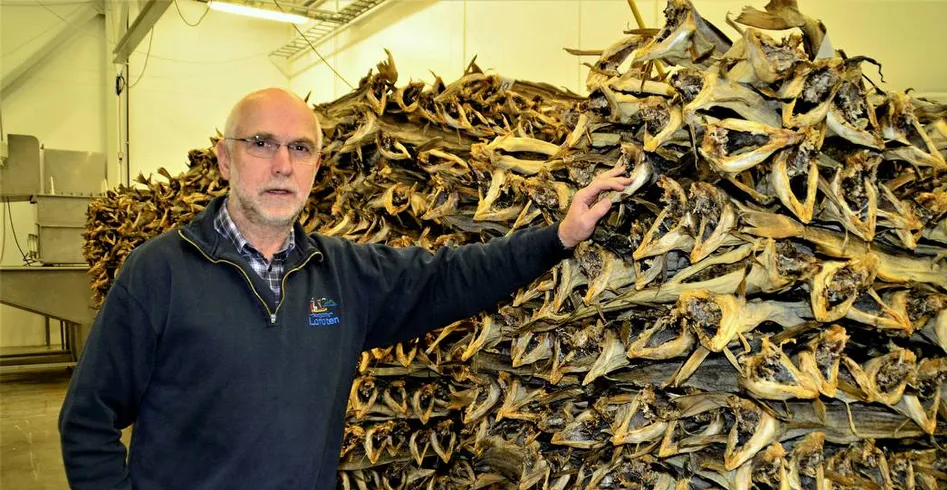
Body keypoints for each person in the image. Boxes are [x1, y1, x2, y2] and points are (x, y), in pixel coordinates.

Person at [58, 88, 633, 490]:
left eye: (301, 148)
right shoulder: (158, 273)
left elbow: (452, 277)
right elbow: (89, 419)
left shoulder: (343, 275)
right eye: (261, 143)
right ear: (225, 160)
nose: (282, 164)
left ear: (317, 166)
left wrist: (559, 235)